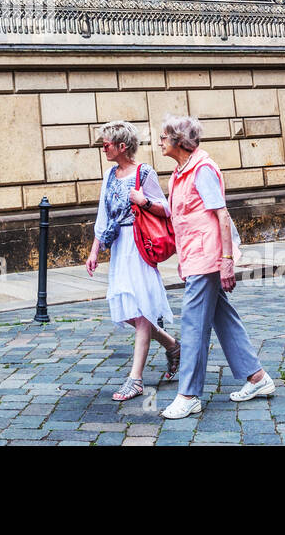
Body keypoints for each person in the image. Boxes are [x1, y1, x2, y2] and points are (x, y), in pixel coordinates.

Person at [156, 114, 274, 419]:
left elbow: (221, 216)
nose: (159, 141)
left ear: (179, 141)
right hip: (194, 255)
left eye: (164, 136)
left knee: (193, 324)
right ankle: (257, 377)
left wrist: (226, 262)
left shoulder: (202, 169)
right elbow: (176, 213)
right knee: (223, 316)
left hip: (208, 256)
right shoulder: (179, 172)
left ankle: (188, 394)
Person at [84, 121, 180, 402]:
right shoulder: (109, 175)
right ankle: (173, 346)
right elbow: (103, 214)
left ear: (122, 146)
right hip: (118, 247)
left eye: (107, 144)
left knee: (140, 312)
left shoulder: (144, 172)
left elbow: (167, 209)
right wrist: (94, 250)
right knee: (126, 309)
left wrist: (143, 201)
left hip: (139, 245)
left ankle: (135, 380)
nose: (103, 148)